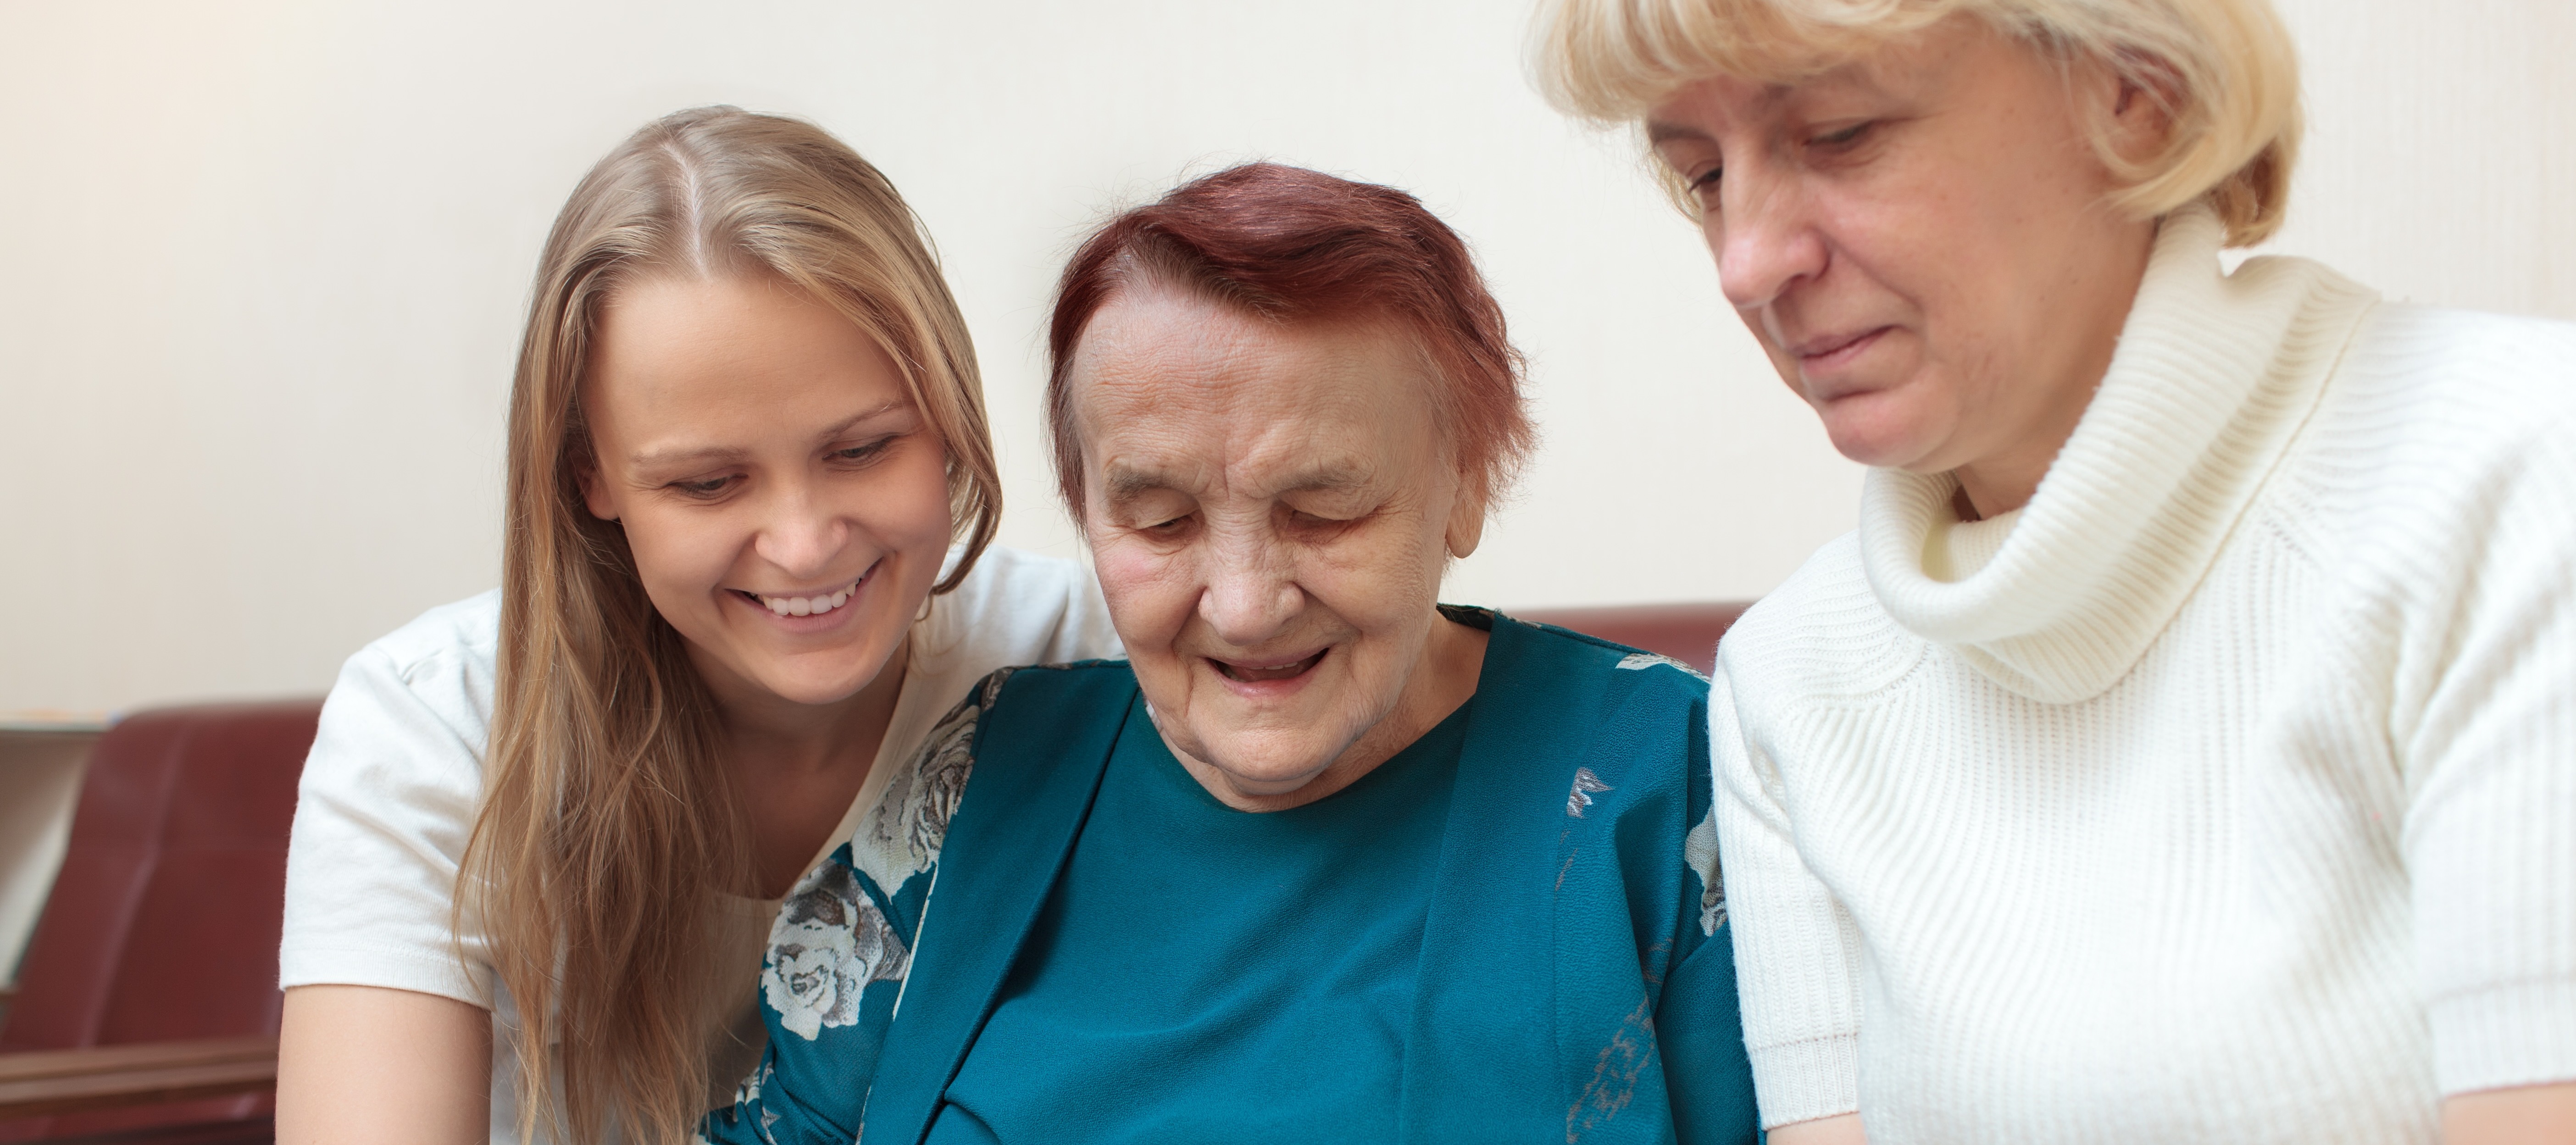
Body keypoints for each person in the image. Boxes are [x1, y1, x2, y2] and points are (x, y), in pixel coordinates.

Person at [1532, 0, 2576, 1142]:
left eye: (1839, 133)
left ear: (2134, 89)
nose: (1745, 263)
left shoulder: (2518, 478)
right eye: (1704, 179)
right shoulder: (1794, 675)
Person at [698, 162, 1760, 1145]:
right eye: (1159, 522)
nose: (1246, 608)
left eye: (1324, 510)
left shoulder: (1664, 781)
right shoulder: (985, 772)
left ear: (1468, 481)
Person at [272, 107, 1121, 1145]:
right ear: (590, 474)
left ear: (944, 413)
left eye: (861, 451)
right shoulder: (433, 731)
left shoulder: (1087, 660)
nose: (805, 545)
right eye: (710, 483)